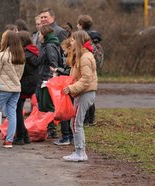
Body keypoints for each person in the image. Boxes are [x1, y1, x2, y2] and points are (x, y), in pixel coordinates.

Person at [62, 30, 97, 162]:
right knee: (76, 122)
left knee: (77, 122)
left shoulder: (85, 57)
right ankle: (78, 150)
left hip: (85, 93)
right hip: (81, 93)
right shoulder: (81, 55)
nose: (70, 42)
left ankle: (80, 152)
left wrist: (71, 88)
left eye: (72, 40)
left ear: (79, 41)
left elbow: (86, 79)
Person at [0, 30, 25, 148]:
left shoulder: (2, 55)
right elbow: (20, 74)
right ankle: (9, 140)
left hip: (3, 88)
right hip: (16, 88)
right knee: (12, 114)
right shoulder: (20, 56)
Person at [13, 30, 39, 145]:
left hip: (23, 85)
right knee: (18, 110)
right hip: (31, 85)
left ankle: (20, 136)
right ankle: (25, 136)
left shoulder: (23, 55)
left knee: (17, 111)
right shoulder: (34, 52)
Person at [36, 25, 62, 139]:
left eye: (40, 34)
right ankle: (46, 127)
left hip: (47, 79)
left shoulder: (50, 46)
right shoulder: (45, 45)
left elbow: (53, 64)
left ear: (45, 35)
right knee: (42, 104)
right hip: (42, 78)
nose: (38, 36)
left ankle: (51, 129)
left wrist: (51, 79)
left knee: (48, 105)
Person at [77, 14, 102, 126]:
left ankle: (86, 119)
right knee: (91, 92)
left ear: (81, 25)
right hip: (94, 66)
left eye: (78, 24)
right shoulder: (96, 36)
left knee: (85, 92)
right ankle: (91, 119)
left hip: (86, 66)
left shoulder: (83, 37)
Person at [51, 38, 73, 145]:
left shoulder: (72, 58)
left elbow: (69, 72)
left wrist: (57, 70)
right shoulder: (71, 57)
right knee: (67, 113)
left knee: (64, 113)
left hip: (69, 88)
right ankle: (69, 135)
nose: (63, 52)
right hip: (70, 87)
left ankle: (66, 136)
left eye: (64, 49)